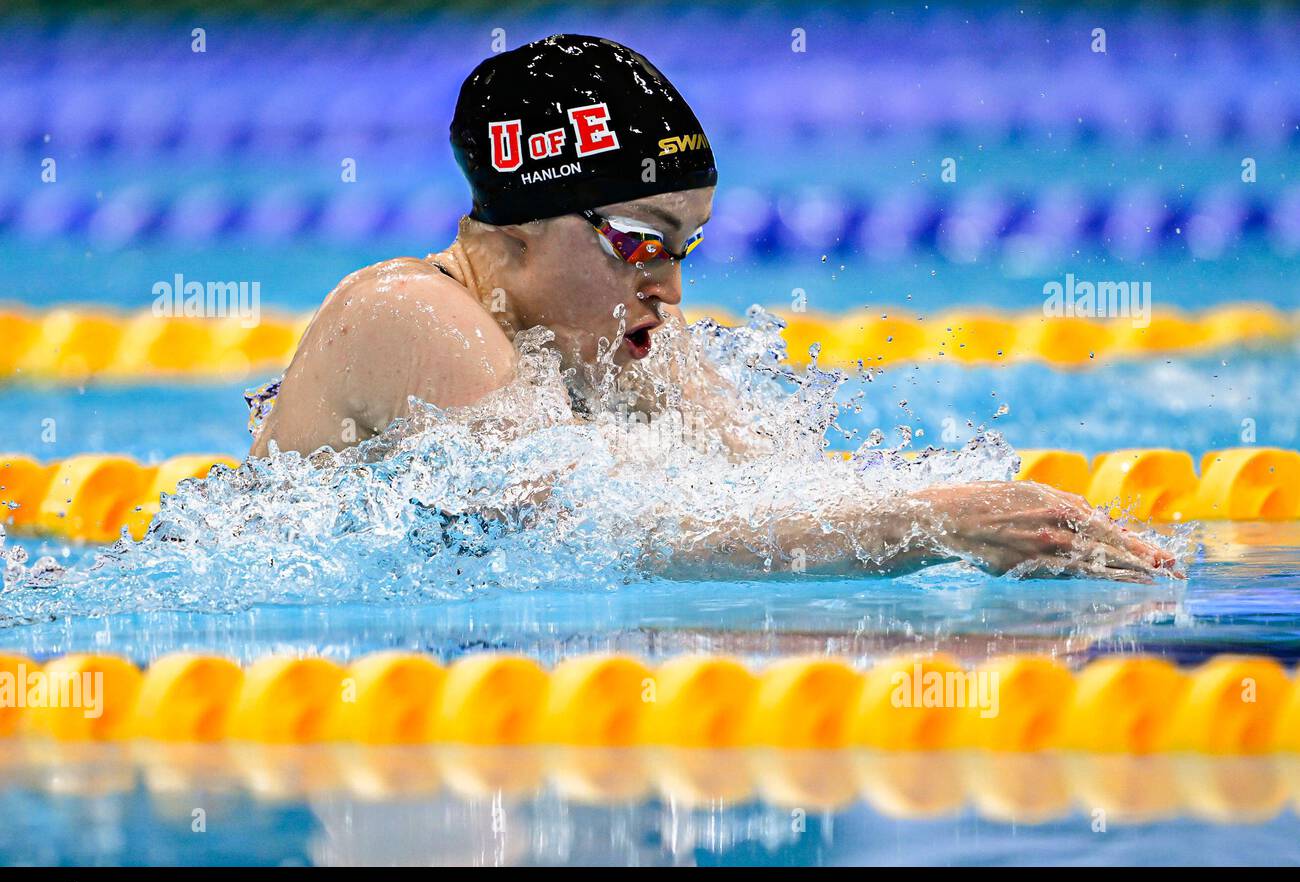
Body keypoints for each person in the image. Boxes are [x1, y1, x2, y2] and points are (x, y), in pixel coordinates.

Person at [247, 34, 1178, 582]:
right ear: (513, 237)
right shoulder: (405, 312)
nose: (671, 286)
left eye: (685, 244)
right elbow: (607, 535)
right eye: (641, 240)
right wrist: (932, 522)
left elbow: (767, 482)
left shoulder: (621, 330)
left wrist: (987, 513)